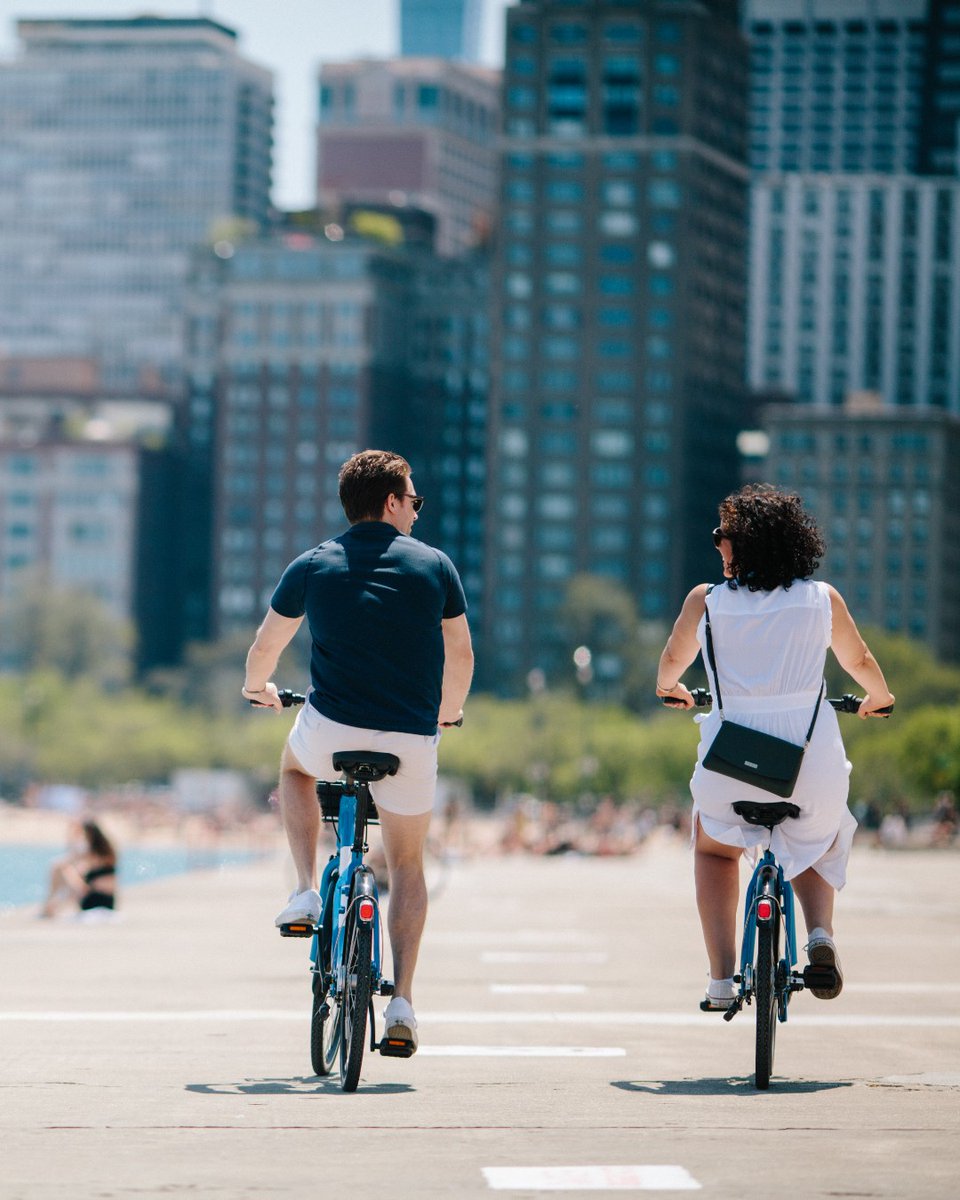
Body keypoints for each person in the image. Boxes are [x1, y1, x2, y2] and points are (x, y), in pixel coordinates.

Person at [242, 449, 474, 1054]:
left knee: (294, 768)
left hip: (331, 727)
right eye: (414, 501)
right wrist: (448, 711)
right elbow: (462, 655)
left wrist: (255, 688)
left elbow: (267, 644)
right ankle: (402, 1005)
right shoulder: (436, 567)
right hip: (410, 737)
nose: (417, 514)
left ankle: (304, 889)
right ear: (393, 501)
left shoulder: (313, 564)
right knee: (407, 866)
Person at [655, 484, 894, 1010]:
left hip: (729, 763)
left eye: (723, 536)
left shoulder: (707, 602)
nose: (717, 546)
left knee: (714, 848)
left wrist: (671, 690)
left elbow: (671, 665)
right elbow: (860, 663)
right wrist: (880, 698)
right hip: (809, 763)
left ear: (745, 545)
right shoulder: (821, 599)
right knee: (816, 833)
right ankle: (820, 936)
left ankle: (721, 982)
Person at [39, 818, 118, 918]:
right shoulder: (105, 853)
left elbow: (80, 870)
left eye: (81, 834)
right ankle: (51, 905)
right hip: (95, 897)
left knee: (65, 871)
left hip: (97, 900)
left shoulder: (99, 856)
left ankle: (50, 906)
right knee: (61, 868)